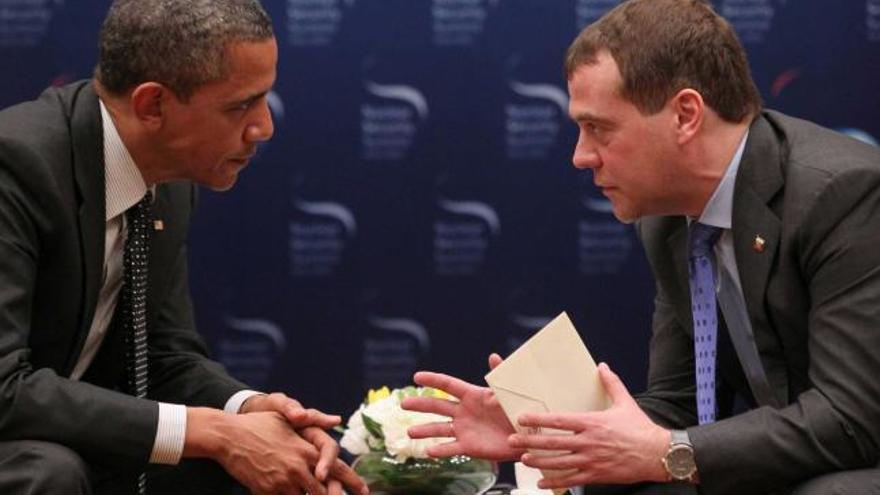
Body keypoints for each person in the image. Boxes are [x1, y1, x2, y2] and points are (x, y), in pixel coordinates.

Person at [401, 0, 880, 493]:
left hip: (856, 457)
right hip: (795, 453)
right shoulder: (668, 220)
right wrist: (551, 428)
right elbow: (678, 403)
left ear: (686, 115)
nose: (580, 157)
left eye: (599, 129)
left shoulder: (842, 195)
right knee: (624, 480)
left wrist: (668, 452)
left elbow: (852, 417)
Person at [0, 1, 369, 494]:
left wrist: (248, 411)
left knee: (230, 457)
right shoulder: (15, 166)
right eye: (240, 105)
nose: (264, 126)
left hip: (49, 432)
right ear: (153, 105)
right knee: (52, 472)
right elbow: (4, 388)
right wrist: (212, 431)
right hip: (23, 439)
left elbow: (163, 354)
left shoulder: (168, 176)